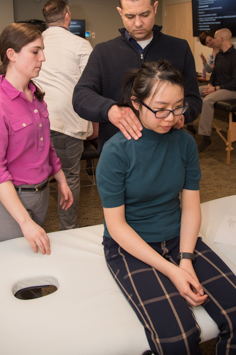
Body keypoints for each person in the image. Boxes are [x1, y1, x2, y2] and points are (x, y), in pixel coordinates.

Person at [96, 60, 236, 355]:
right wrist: (172, 271)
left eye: (178, 107)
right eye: (160, 108)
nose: (171, 117)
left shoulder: (184, 143)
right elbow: (117, 226)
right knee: (178, 338)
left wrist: (185, 259)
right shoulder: (116, 152)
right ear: (136, 103)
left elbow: (191, 205)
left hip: (177, 238)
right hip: (130, 245)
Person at [0, 23, 73, 255]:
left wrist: (60, 178)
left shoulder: (34, 94)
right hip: (6, 202)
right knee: (20, 278)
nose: (43, 58)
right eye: (35, 51)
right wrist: (25, 222)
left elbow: (44, 143)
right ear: (12, 54)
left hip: (39, 194)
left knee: (34, 266)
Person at [73, 0, 201, 154]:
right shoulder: (103, 52)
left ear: (155, 8)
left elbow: (193, 99)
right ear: (120, 12)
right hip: (118, 152)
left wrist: (181, 115)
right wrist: (108, 109)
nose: (138, 23)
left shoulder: (179, 48)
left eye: (145, 14)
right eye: (130, 16)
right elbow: (80, 97)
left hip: (166, 150)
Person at [34, 0, 93, 230]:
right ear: (67, 16)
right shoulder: (80, 45)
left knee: (33, 177)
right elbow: (90, 85)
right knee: (69, 177)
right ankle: (67, 230)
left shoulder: (35, 43)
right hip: (67, 124)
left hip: (36, 122)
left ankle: (30, 228)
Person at [198, 28, 236, 152]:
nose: (214, 40)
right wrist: (210, 85)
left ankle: (206, 137)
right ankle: (186, 124)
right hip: (217, 88)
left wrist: (215, 89)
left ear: (222, 39)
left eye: (215, 37)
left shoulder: (234, 56)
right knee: (194, 91)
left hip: (230, 90)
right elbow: (213, 74)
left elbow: (234, 82)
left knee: (207, 100)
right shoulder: (219, 55)